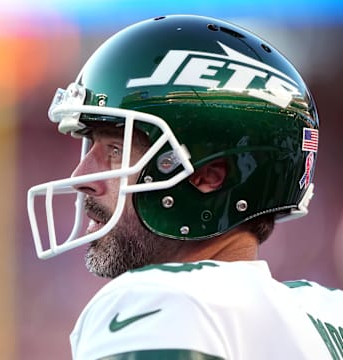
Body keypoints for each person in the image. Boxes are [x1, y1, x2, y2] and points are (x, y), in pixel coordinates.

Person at [27, 14, 343, 359]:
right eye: (91, 146)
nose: (81, 178)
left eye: (116, 150)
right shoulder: (327, 314)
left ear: (207, 175)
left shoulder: (159, 300)